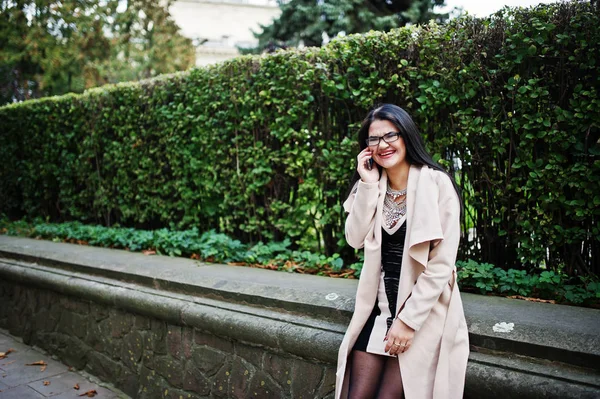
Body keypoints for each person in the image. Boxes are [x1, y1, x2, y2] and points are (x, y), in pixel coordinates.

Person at [335, 104, 469, 399]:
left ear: (406, 136)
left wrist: (407, 323)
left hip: (422, 314)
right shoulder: (369, 186)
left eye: (390, 135)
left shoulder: (437, 184)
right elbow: (354, 239)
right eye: (373, 139)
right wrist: (368, 185)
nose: (382, 145)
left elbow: (441, 264)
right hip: (377, 311)